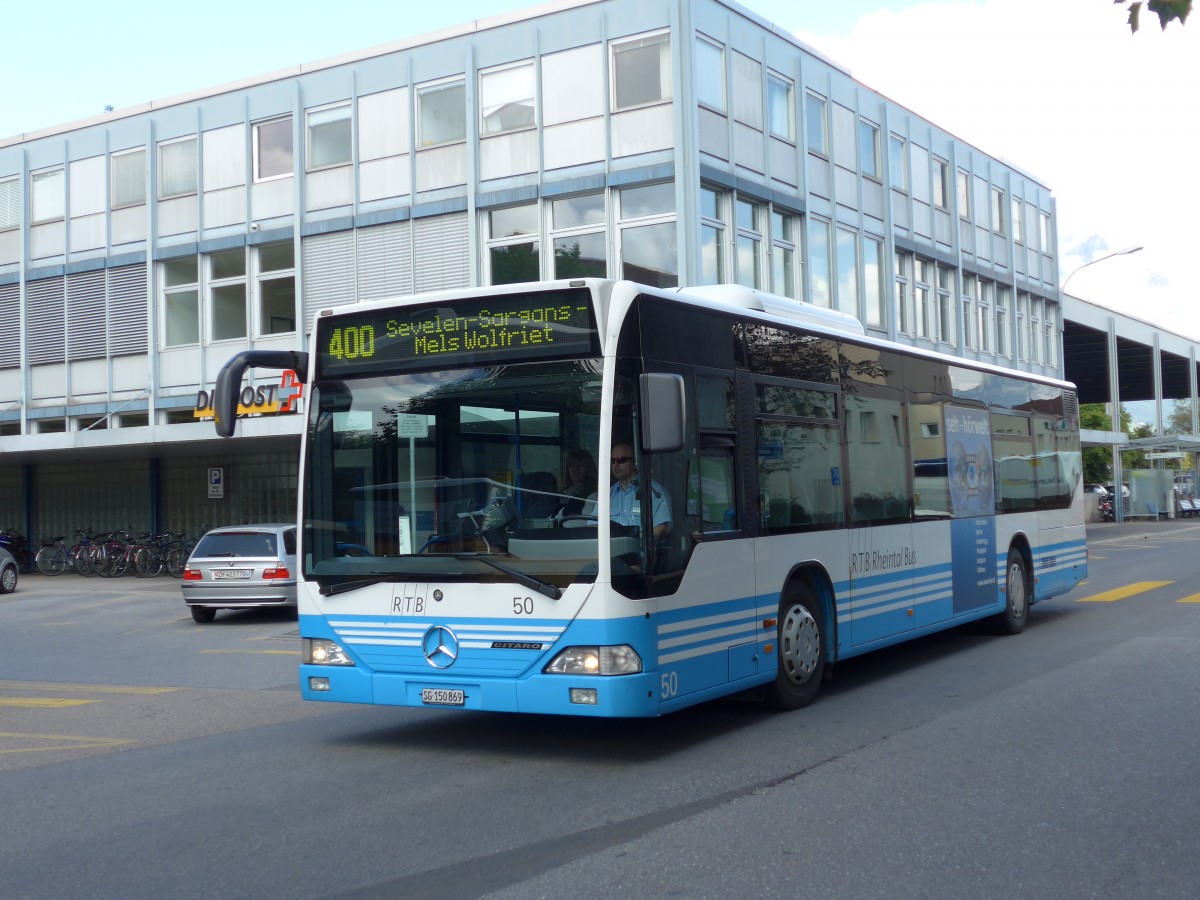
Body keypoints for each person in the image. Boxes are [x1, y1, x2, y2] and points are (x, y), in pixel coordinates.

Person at [609, 442, 671, 541]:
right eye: (612, 461)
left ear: (634, 461)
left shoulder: (654, 491)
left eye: (620, 460)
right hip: (611, 553)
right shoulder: (607, 495)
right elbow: (593, 526)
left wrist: (634, 539)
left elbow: (661, 529)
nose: (615, 465)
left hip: (641, 552)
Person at [559, 449, 597, 517]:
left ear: (588, 469)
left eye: (580, 466)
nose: (575, 469)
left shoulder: (591, 494)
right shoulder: (563, 492)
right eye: (572, 466)